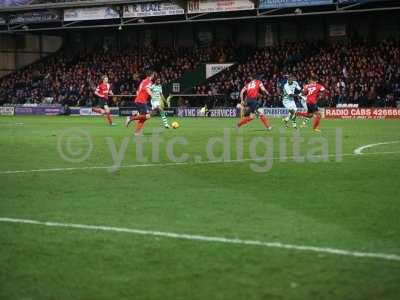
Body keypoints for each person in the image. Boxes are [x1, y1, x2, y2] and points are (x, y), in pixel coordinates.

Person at [125, 70, 155, 136]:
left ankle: (137, 132)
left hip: (139, 100)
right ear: (152, 75)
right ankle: (130, 118)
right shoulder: (149, 81)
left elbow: (138, 91)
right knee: (147, 116)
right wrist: (153, 95)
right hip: (141, 101)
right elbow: (147, 89)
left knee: (143, 118)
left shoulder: (143, 81)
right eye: (153, 75)